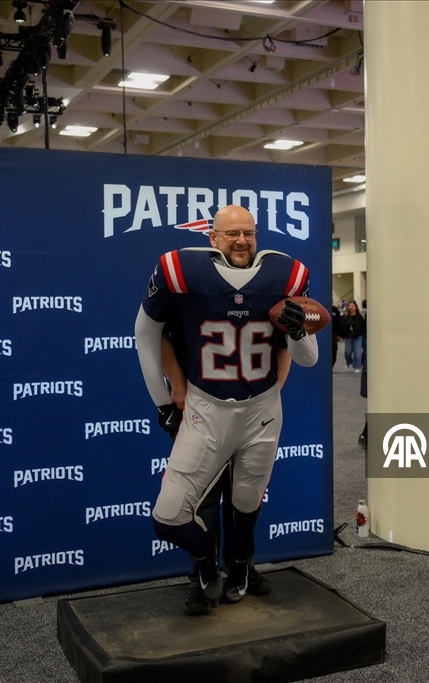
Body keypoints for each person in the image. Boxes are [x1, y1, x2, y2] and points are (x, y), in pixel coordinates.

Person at [135, 205, 319, 615]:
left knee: (247, 500)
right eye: (232, 233)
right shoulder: (181, 272)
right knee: (178, 512)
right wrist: (167, 397)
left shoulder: (284, 276)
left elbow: (304, 355)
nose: (241, 240)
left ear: (257, 236)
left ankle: (241, 565)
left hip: (261, 407)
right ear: (212, 238)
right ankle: (204, 567)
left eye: (249, 233)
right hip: (206, 404)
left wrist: (295, 333)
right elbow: (151, 333)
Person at [340, 301, 365, 373]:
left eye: (353, 306)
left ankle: (357, 366)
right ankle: (349, 362)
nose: (351, 307)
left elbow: (363, 327)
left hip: (357, 337)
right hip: (348, 337)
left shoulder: (360, 317)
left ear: (356, 308)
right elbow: (342, 327)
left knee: (357, 353)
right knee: (348, 352)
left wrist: (357, 331)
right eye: (350, 306)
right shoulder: (345, 317)